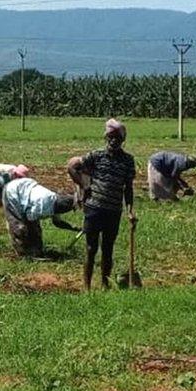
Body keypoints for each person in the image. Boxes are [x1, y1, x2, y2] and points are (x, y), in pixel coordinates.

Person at [70, 118, 137, 290]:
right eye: (111, 137)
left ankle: (105, 284)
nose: (114, 141)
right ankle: (87, 287)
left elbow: (128, 187)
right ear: (106, 138)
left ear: (123, 140)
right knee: (91, 249)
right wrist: (84, 186)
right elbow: (73, 167)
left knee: (108, 250)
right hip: (94, 209)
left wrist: (130, 210)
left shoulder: (128, 161)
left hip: (113, 211)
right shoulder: (95, 156)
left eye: (118, 138)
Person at [2, 176, 79, 257]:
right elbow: (29, 222)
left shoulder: (56, 201)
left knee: (34, 230)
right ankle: (23, 254)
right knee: (19, 227)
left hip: (26, 187)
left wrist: (75, 228)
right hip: (12, 191)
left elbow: (57, 223)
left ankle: (34, 251)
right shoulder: (44, 206)